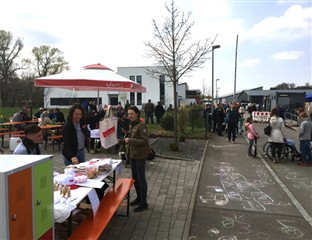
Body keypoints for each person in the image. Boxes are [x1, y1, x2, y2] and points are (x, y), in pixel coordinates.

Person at [119, 105, 149, 212]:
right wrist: (119, 140)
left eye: (132, 113)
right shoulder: (132, 125)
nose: (130, 115)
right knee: (135, 178)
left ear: (137, 114)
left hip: (140, 156)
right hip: (132, 156)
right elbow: (128, 139)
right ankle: (139, 198)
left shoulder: (142, 126)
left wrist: (130, 140)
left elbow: (144, 141)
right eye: (129, 113)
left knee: (141, 179)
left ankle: (144, 203)